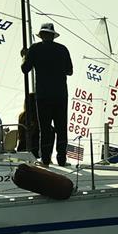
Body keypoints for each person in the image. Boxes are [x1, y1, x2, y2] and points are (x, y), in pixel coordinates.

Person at [21, 23, 72, 166]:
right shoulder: (62, 49)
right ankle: (61, 159)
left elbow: (25, 69)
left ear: (42, 35)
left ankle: (45, 159)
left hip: (43, 95)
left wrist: (25, 56)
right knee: (61, 128)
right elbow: (70, 71)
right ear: (53, 35)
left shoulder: (35, 49)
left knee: (44, 128)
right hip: (60, 94)